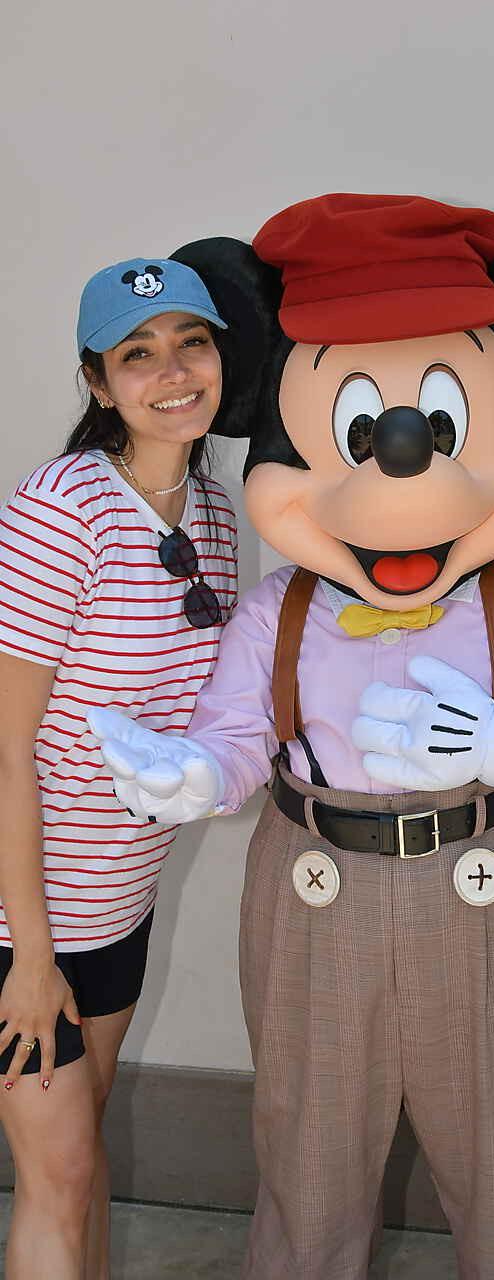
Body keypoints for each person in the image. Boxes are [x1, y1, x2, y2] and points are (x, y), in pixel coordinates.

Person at [87, 195, 494, 1280]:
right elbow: (234, 734)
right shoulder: (278, 609)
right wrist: (192, 774)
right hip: (316, 887)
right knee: (309, 1157)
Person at [0, 258, 238, 1279]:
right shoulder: (63, 509)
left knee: (81, 1154)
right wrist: (30, 958)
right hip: (24, 919)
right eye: (137, 354)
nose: (172, 371)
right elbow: (5, 747)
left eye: (192, 342)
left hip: (117, 903)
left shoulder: (214, 511)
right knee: (55, 1179)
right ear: (98, 383)